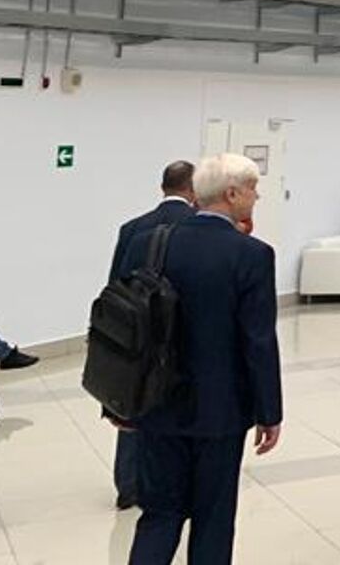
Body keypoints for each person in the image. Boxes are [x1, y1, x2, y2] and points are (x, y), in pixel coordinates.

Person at [120, 153, 281, 565]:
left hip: (155, 403)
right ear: (231, 194)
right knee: (213, 519)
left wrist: (118, 400)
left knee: (159, 515)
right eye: (252, 190)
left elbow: (120, 325)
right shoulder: (251, 255)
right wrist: (269, 412)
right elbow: (257, 342)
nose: (256, 197)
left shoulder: (146, 243)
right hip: (221, 413)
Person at [108, 160, 198, 509]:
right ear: (192, 190)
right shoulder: (199, 229)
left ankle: (128, 486)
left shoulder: (131, 228)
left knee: (133, 406)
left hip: (138, 336)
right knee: (179, 410)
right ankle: (175, 482)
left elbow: (115, 284)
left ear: (163, 187)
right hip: (183, 336)